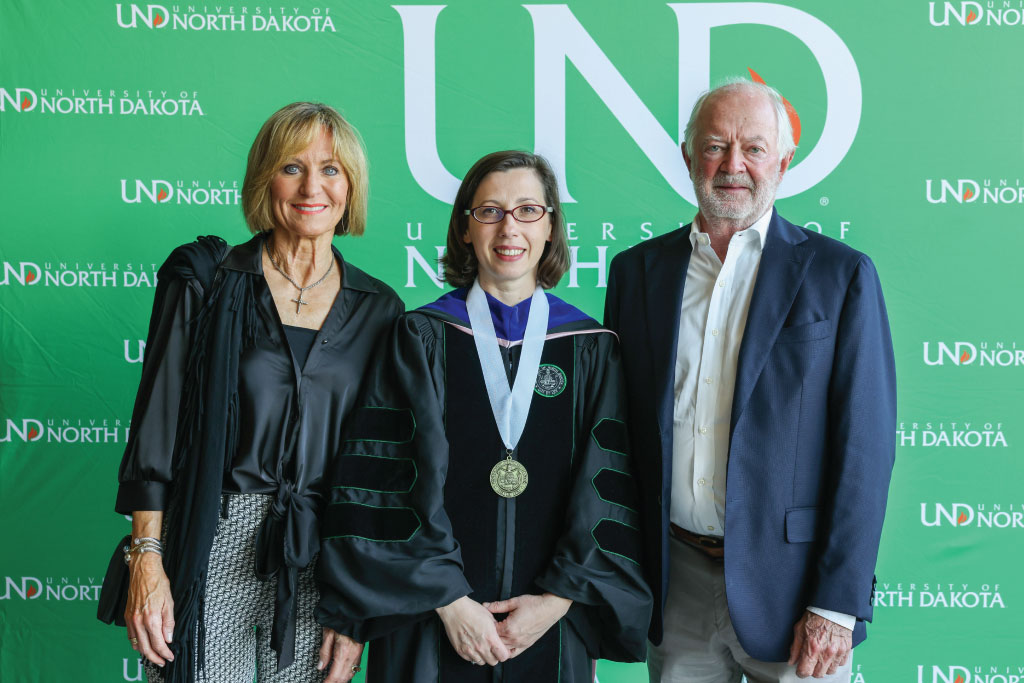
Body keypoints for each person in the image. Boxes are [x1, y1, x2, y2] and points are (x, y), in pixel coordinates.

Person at [315, 150, 652, 682]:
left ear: (550, 229)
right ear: (466, 229)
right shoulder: (420, 338)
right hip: (430, 620)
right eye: (490, 211)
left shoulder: (592, 349)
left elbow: (607, 489)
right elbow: (387, 482)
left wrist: (558, 599)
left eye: (527, 210)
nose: (508, 227)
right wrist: (450, 600)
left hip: (549, 626)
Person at [604, 80, 897, 682]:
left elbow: (864, 451)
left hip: (794, 596)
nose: (733, 165)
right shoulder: (636, 273)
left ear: (783, 163)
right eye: (714, 146)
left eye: (754, 149)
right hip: (674, 581)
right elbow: (618, 435)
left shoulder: (840, 277)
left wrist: (835, 604)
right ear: (688, 158)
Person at [100, 102, 403, 683]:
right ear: (266, 177)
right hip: (212, 539)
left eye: (331, 170)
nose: (312, 186)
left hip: (320, 553)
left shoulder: (380, 309)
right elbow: (156, 428)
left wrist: (357, 605)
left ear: (352, 185)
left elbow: (378, 471)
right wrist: (147, 558)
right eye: (292, 167)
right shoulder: (206, 281)